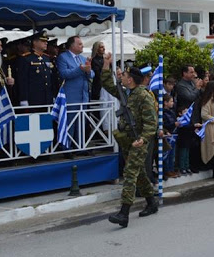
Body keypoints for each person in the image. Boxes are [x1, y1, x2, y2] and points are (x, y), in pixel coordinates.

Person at [100, 54, 158, 227]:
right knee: (139, 174)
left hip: (139, 141)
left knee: (130, 174)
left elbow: (151, 122)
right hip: (128, 140)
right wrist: (105, 64)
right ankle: (151, 202)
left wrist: (143, 139)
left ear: (131, 79)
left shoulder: (143, 96)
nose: (121, 77)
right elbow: (107, 84)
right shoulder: (128, 93)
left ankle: (124, 213)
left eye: (124, 75)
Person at [57, 36, 93, 148]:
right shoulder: (63, 57)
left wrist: (87, 70)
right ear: (72, 45)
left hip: (83, 97)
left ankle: (81, 146)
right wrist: (80, 69)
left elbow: (92, 74)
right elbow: (64, 74)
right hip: (71, 97)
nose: (82, 46)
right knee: (70, 123)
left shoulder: (82, 58)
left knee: (82, 124)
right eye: (80, 44)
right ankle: (67, 147)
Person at [17, 30, 54, 108]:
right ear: (34, 42)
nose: (46, 43)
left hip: (47, 98)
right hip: (33, 98)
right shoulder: (26, 58)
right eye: (43, 41)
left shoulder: (46, 58)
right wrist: (24, 99)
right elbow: (23, 80)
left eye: (46, 41)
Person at [161, 93, 178, 178]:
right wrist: (173, 124)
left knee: (172, 154)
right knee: (166, 154)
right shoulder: (162, 113)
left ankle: (171, 169)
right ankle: (167, 170)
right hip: (168, 135)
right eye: (171, 101)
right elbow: (165, 125)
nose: (172, 103)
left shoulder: (172, 112)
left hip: (174, 134)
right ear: (165, 102)